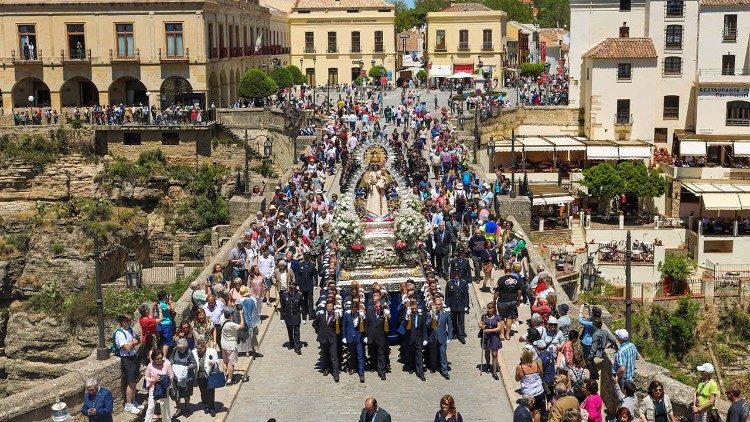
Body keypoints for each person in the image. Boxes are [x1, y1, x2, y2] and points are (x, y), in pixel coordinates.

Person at [113, 315, 143, 415]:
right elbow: (126, 348)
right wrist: (132, 343)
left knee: (134, 381)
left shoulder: (130, 329)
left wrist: (131, 343)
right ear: (123, 322)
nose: (130, 322)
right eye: (127, 320)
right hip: (127, 359)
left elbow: (139, 340)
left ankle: (133, 401)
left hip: (134, 357)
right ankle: (128, 404)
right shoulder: (119, 333)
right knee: (130, 382)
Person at [312, 301, 340, 382]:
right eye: (328, 306)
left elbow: (339, 327)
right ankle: (326, 368)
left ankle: (336, 373)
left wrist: (338, 319)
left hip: (332, 338)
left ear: (333, 307)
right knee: (325, 355)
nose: (329, 308)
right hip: (323, 338)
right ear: (326, 307)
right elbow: (314, 324)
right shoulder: (321, 316)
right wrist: (319, 331)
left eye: (331, 306)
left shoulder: (336, 316)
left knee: (334, 356)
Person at [515, 348, 546, 422]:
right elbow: (541, 375)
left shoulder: (520, 367)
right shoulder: (538, 364)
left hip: (528, 395)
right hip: (539, 391)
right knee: (537, 411)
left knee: (527, 411)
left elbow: (517, 379)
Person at [144, 350, 174, 422]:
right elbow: (146, 377)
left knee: (165, 407)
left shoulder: (167, 364)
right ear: (154, 359)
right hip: (153, 389)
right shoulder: (150, 365)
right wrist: (153, 379)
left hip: (164, 389)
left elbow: (172, 375)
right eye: (158, 359)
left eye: (161, 358)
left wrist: (164, 378)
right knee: (150, 407)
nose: (160, 360)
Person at [401, 298, 428, 381]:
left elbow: (424, 327)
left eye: (415, 308)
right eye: (413, 309)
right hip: (409, 338)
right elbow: (404, 326)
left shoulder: (421, 314)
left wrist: (425, 338)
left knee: (419, 355)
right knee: (410, 354)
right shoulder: (407, 314)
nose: (414, 310)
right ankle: (412, 367)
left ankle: (421, 373)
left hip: (418, 338)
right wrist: (407, 316)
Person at [170, 337, 197, 417]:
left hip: (187, 377)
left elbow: (194, 364)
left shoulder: (189, 352)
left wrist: (185, 368)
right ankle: (179, 408)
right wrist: (173, 365)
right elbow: (171, 358)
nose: (181, 350)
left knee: (186, 393)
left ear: (186, 347)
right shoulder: (175, 350)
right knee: (176, 393)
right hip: (176, 376)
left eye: (183, 349)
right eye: (180, 348)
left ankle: (187, 407)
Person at [192, 338, 219, 417]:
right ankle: (206, 406)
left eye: (200, 348)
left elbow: (217, 361)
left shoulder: (212, 351)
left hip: (209, 375)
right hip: (199, 375)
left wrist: (213, 363)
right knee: (203, 392)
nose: (198, 350)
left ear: (205, 347)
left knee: (210, 391)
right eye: (197, 348)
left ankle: (212, 408)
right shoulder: (194, 352)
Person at [428, 296, 453, 380]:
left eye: (439, 304)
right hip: (433, 337)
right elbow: (427, 325)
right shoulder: (430, 314)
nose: (438, 306)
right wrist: (432, 317)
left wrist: (449, 337)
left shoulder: (446, 314)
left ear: (442, 305)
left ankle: (445, 371)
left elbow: (449, 326)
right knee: (433, 354)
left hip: (442, 337)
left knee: (443, 354)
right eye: (436, 304)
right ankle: (433, 367)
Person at [495, 266, 522, 340]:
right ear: (511, 270)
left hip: (503, 301)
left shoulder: (501, 279)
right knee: (509, 317)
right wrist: (518, 300)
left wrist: (494, 301)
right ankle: (507, 335)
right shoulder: (516, 279)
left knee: (502, 318)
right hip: (513, 301)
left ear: (504, 270)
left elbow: (497, 292)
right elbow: (519, 292)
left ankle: (502, 335)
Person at [343, 299, 367, 383]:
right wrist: (344, 337)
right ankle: (353, 367)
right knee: (352, 355)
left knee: (360, 355)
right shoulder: (347, 315)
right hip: (350, 337)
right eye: (352, 308)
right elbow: (344, 326)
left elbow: (365, 326)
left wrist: (365, 336)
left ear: (357, 309)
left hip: (358, 337)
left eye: (355, 308)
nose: (353, 310)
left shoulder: (361, 316)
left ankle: (361, 373)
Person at [220, 306, 245, 385]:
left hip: (223, 344)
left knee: (225, 361)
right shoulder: (231, 324)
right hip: (231, 345)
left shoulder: (222, 321)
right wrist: (241, 315)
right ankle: (229, 379)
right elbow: (241, 326)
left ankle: (223, 377)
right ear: (230, 315)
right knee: (231, 363)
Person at [366, 300, 390, 380]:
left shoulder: (384, 314)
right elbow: (367, 324)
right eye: (377, 306)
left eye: (380, 306)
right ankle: (373, 366)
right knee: (372, 353)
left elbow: (387, 327)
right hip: (371, 337)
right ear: (374, 307)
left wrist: (388, 317)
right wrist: (366, 335)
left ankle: (382, 372)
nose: (378, 308)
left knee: (381, 355)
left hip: (380, 337)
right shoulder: (369, 313)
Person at [479, 302, 502, 380]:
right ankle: (488, 364)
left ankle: (494, 371)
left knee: (494, 354)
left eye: (490, 308)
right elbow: (481, 323)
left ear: (494, 309)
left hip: (494, 337)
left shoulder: (497, 317)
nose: (488, 310)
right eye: (488, 308)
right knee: (487, 352)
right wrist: (481, 326)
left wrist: (489, 330)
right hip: (486, 337)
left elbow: (499, 328)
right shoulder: (484, 317)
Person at [445, 270, 469, 344]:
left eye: (457, 275)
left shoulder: (463, 283)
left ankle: (461, 336)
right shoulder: (449, 283)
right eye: (455, 275)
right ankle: (455, 333)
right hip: (453, 306)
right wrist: (447, 306)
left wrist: (466, 305)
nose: (456, 276)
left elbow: (466, 295)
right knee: (454, 321)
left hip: (461, 306)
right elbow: (447, 296)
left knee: (461, 321)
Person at [280, 281, 304, 354]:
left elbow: (303, 307)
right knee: (290, 331)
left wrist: (304, 318)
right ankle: (291, 344)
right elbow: (283, 307)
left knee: (296, 332)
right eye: (290, 288)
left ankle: (297, 347)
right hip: (288, 316)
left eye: (293, 288)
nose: (292, 290)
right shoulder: (285, 295)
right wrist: (282, 317)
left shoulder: (299, 295)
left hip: (296, 315)